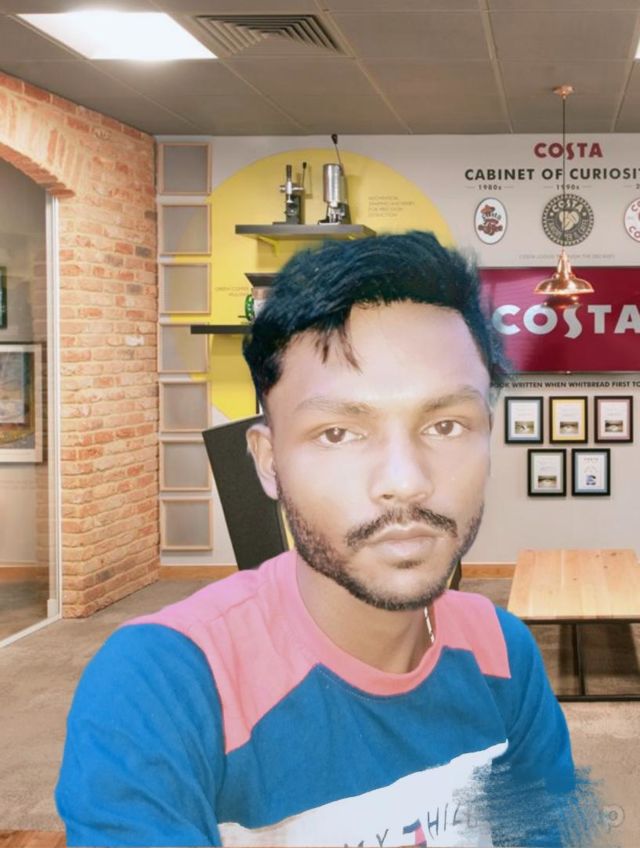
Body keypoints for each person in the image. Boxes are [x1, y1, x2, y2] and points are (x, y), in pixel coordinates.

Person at [56, 231, 599, 847]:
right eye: (339, 433)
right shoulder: (162, 688)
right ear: (268, 461)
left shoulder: (502, 652)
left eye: (447, 424)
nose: (406, 481)